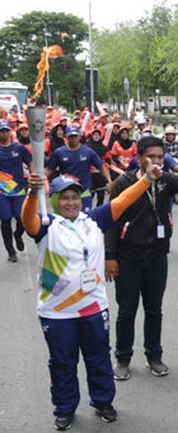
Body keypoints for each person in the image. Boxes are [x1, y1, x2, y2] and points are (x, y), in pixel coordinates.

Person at [22, 161, 161, 431]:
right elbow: (28, 221)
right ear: (54, 200)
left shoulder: (95, 220)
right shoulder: (49, 225)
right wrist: (30, 195)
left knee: (98, 357)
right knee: (62, 362)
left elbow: (122, 200)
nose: (70, 203)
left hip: (93, 307)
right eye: (64, 198)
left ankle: (103, 401)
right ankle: (64, 408)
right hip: (57, 310)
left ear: (81, 198)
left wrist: (145, 179)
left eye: (74, 197)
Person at [104, 137, 178, 380]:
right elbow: (111, 222)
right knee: (127, 310)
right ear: (139, 158)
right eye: (152, 156)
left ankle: (154, 356)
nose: (157, 161)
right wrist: (110, 256)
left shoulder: (165, 180)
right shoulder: (123, 183)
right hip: (128, 257)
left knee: (154, 309)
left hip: (157, 255)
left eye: (160, 156)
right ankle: (123, 358)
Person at [46, 126, 113, 212]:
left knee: (85, 218)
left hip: (84, 191)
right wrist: (39, 179)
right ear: (66, 137)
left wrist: (109, 181)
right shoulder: (59, 152)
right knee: (68, 218)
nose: (73, 139)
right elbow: (49, 170)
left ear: (79, 137)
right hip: (67, 192)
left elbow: (101, 167)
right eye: (70, 136)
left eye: (75, 136)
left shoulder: (88, 151)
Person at [0, 119, 32, 262]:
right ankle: (11, 251)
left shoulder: (18, 148)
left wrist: (33, 179)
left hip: (18, 190)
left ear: (10, 132)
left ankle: (18, 235)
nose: (4, 133)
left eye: (6, 130)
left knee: (22, 219)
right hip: (2, 192)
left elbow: (30, 163)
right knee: (5, 220)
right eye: (1, 131)